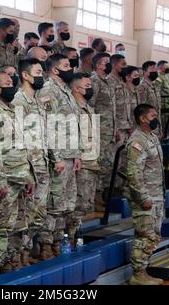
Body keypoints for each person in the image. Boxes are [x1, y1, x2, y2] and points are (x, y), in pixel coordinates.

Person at [0, 71, 35, 276]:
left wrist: (29, 175)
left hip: (20, 176)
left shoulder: (11, 109)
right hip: (4, 180)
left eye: (13, 82)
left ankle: (9, 265)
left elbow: (21, 145)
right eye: (7, 83)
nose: (12, 86)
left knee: (18, 226)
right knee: (0, 228)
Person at [37, 54, 82, 257]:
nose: (70, 67)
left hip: (70, 154)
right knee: (54, 202)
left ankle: (58, 239)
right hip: (59, 156)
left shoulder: (66, 91)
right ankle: (46, 244)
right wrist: (57, 157)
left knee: (66, 202)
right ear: (55, 70)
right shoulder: (48, 90)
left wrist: (77, 154)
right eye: (65, 65)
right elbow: (48, 127)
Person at [11, 58, 50, 264]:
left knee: (37, 214)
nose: (41, 76)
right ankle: (18, 259)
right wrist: (25, 171)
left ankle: (26, 256)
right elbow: (17, 139)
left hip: (41, 164)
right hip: (28, 167)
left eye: (42, 72)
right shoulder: (18, 102)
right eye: (37, 72)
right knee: (24, 216)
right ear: (25, 75)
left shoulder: (36, 102)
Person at [126, 104, 164, 285]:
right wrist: (143, 197)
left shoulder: (152, 137)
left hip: (156, 194)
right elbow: (133, 172)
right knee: (145, 236)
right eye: (152, 115)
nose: (155, 118)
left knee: (153, 235)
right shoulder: (137, 140)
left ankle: (143, 270)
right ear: (143, 118)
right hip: (146, 196)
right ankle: (138, 274)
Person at [70, 73, 100, 235]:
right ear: (76, 88)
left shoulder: (89, 107)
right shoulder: (72, 108)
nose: (90, 89)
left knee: (85, 203)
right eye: (87, 86)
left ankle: (74, 235)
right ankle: (69, 238)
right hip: (80, 163)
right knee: (78, 203)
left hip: (91, 161)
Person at [89, 52, 117, 210]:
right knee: (98, 164)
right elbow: (90, 105)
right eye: (106, 62)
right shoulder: (94, 81)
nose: (109, 64)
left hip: (109, 130)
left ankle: (101, 194)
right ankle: (95, 197)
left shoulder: (107, 82)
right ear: (99, 65)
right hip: (98, 129)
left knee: (107, 164)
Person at [137, 61, 162, 136]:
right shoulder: (142, 86)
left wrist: (160, 129)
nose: (155, 71)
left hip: (156, 122)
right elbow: (142, 108)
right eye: (152, 68)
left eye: (155, 68)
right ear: (145, 71)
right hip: (147, 124)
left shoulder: (156, 86)